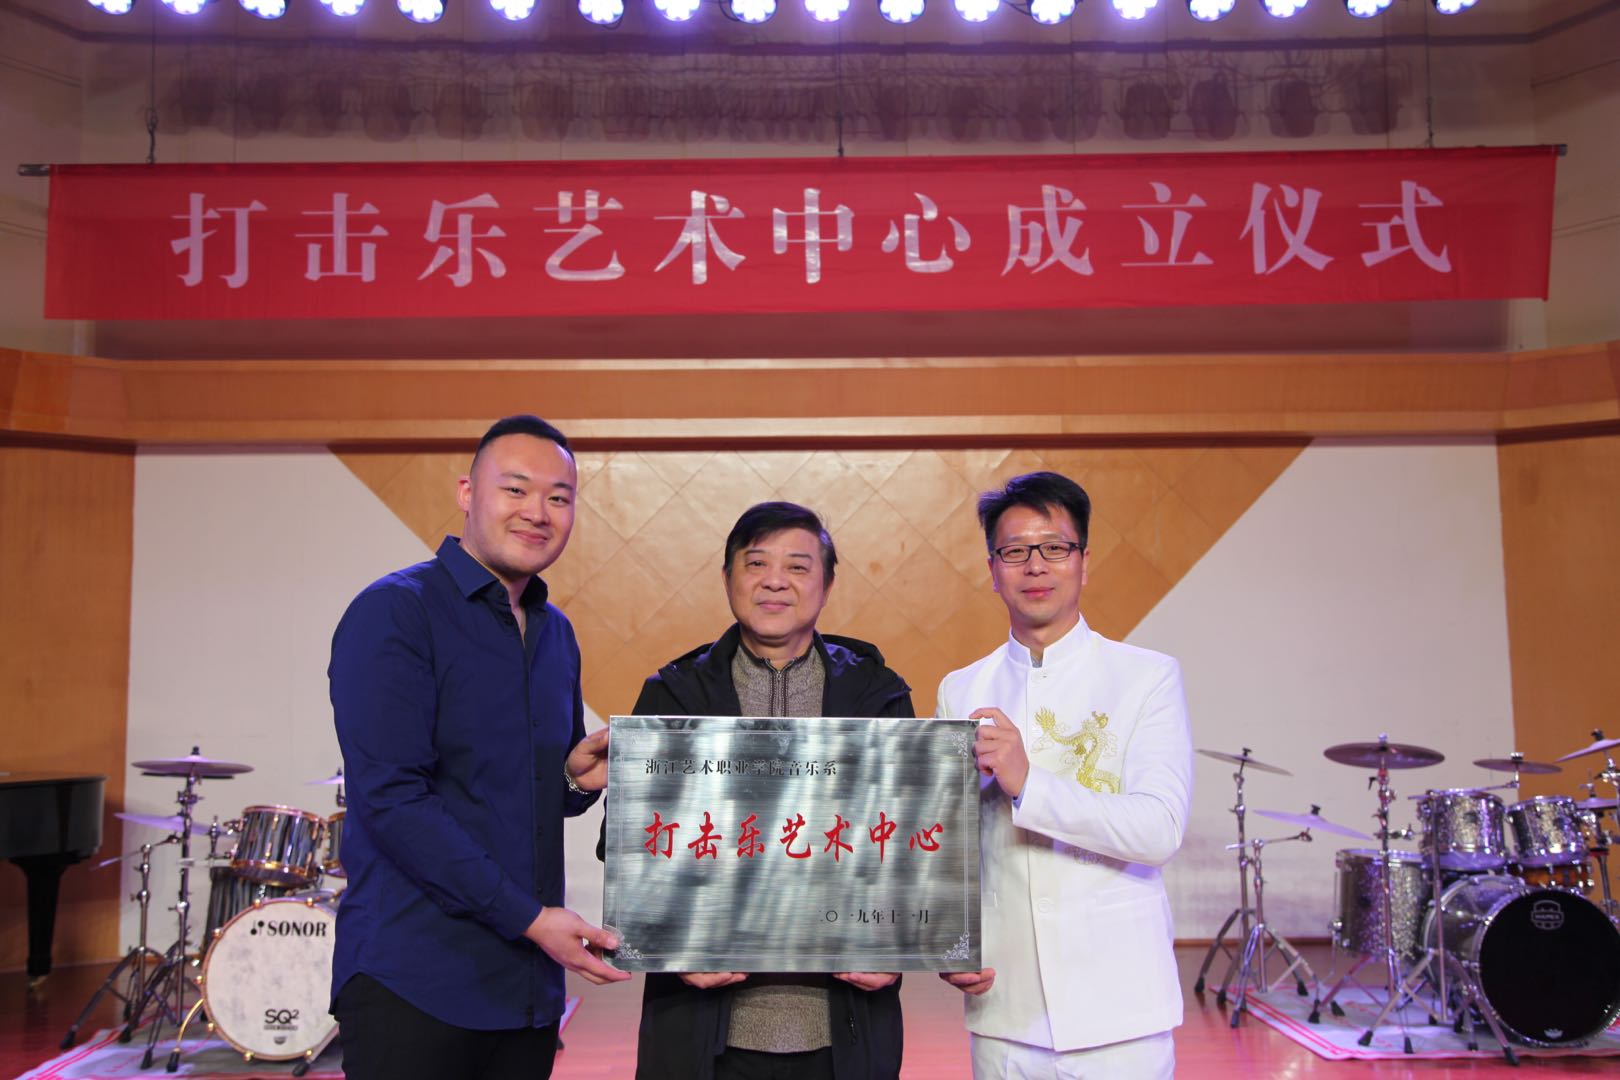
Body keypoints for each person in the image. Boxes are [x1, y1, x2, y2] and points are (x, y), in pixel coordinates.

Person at [328, 414, 630, 1080]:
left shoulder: (555, 633)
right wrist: (530, 919)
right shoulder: (396, 611)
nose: (538, 512)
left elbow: (526, 795)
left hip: (524, 990)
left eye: (558, 497)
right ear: (467, 493)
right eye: (515, 489)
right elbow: (393, 800)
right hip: (414, 979)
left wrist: (574, 780)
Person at [615, 501, 915, 1080]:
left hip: (843, 1025)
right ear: (727, 577)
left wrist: (898, 948)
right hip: (702, 1027)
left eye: (798, 566)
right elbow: (627, 848)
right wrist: (671, 949)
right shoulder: (673, 695)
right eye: (756, 563)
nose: (775, 581)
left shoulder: (877, 696)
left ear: (827, 585)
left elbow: (910, 845)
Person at [935, 471, 1193, 1080]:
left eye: (1054, 547)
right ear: (992, 569)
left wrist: (1029, 782)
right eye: (1014, 551)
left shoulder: (1146, 677)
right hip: (1004, 1004)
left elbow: (1158, 829)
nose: (1036, 566)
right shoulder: (960, 689)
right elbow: (950, 845)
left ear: (1083, 561)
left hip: (1119, 1007)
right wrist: (949, 942)